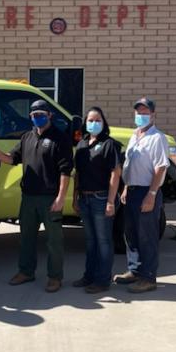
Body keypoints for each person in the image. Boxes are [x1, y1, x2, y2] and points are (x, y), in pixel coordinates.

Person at [0, 100, 73, 293]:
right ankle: (26, 271)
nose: (37, 118)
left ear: (50, 115)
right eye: (34, 115)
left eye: (41, 114)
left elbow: (65, 171)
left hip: (50, 198)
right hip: (28, 198)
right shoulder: (27, 136)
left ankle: (55, 277)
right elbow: (12, 159)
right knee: (26, 238)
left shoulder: (61, 139)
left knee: (54, 241)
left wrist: (61, 198)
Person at [114, 97, 170, 293]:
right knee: (131, 234)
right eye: (139, 112)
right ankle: (135, 270)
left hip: (147, 191)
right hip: (132, 191)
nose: (141, 116)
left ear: (153, 115)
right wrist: (126, 187)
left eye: (145, 113)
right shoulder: (134, 135)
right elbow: (130, 165)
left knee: (147, 236)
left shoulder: (157, 138)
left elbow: (160, 167)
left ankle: (148, 278)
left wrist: (152, 194)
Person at [72, 107, 122, 293]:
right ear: (85, 123)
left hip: (101, 198)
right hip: (84, 198)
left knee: (103, 241)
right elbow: (78, 172)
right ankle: (89, 276)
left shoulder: (109, 144)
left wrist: (110, 201)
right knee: (91, 241)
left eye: (98, 120)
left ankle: (102, 280)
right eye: (90, 120)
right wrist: (76, 197)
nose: (94, 123)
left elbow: (115, 173)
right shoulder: (82, 144)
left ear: (103, 122)